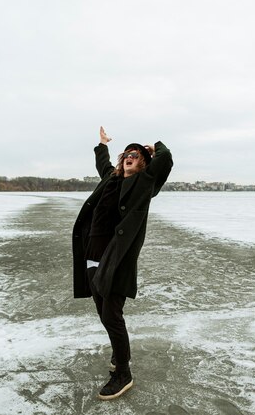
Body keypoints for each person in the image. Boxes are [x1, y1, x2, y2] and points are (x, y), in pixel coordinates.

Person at [72, 126, 173, 400]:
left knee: (111, 315)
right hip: (92, 257)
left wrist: (155, 147)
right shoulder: (111, 178)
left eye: (135, 154)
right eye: (126, 153)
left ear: (143, 162)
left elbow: (166, 160)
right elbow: (102, 163)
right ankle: (119, 358)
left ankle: (123, 373)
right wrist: (101, 144)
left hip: (115, 261)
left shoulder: (144, 184)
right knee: (103, 313)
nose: (129, 156)